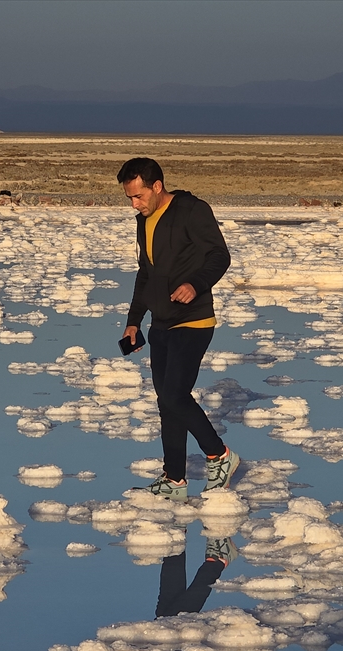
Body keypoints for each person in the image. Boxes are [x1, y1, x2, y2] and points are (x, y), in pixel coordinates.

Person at [118, 157, 239, 500]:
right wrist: (133, 320)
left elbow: (219, 255)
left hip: (194, 320)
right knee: (166, 402)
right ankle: (174, 480)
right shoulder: (144, 221)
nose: (134, 204)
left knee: (174, 395)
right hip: (161, 322)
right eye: (129, 198)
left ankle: (220, 455)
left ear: (157, 186)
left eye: (139, 196)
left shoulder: (192, 211)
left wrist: (195, 284)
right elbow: (146, 273)